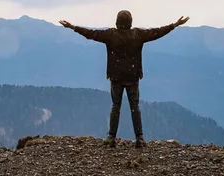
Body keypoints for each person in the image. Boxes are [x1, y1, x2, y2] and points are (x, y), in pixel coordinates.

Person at [59, 10, 190, 148]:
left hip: (116, 77)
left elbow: (91, 34)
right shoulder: (138, 35)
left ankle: (111, 137)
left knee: (116, 106)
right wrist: (175, 24)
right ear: (130, 22)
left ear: (117, 22)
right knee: (135, 107)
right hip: (132, 76)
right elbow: (157, 32)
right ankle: (139, 138)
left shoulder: (110, 35)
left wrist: (72, 27)